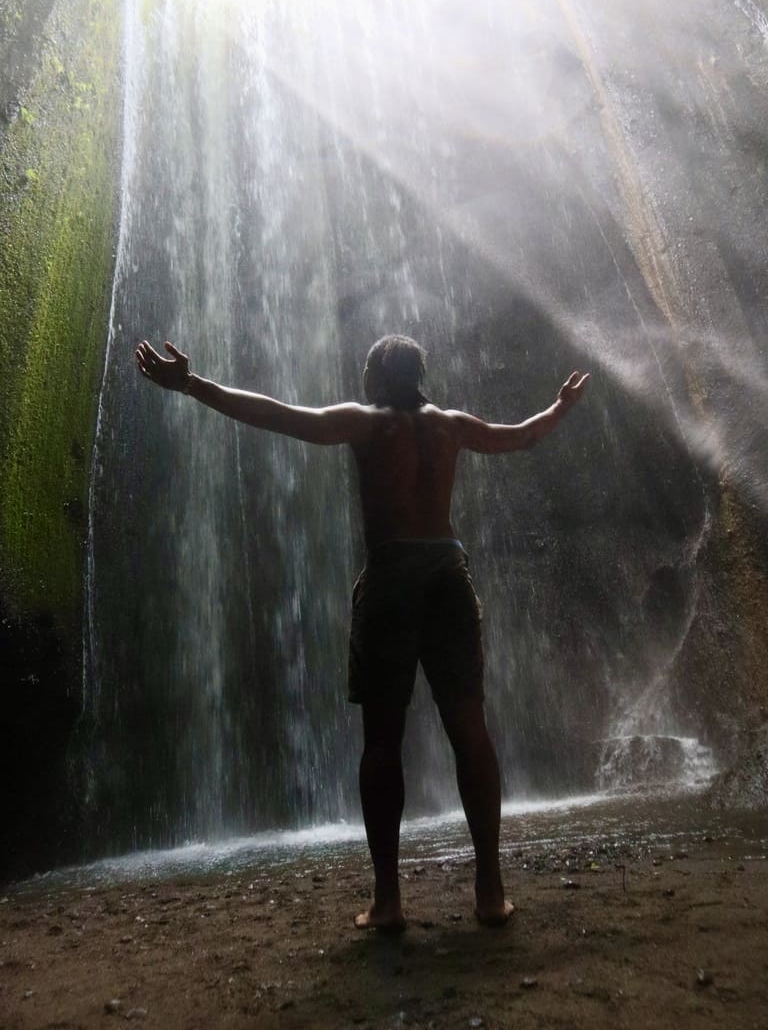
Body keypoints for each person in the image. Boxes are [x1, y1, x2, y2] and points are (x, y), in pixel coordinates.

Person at [135, 333, 589, 931]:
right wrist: (559, 407)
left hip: (394, 575)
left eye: (365, 369)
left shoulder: (366, 422)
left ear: (377, 374)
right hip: (449, 574)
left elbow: (277, 415)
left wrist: (192, 384)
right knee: (471, 731)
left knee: (382, 738)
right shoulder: (451, 425)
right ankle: (489, 890)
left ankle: (388, 900)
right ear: (418, 375)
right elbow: (521, 435)